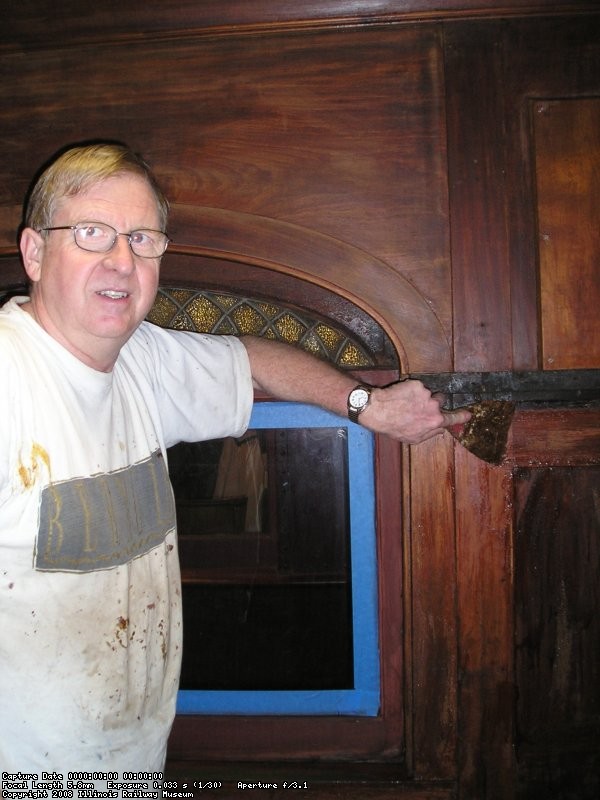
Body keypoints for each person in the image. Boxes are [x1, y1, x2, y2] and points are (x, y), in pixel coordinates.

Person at [0, 143, 469, 772]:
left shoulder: (141, 360)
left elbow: (253, 359)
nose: (121, 260)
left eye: (143, 239)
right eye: (91, 234)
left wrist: (367, 405)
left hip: (132, 763)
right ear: (34, 252)